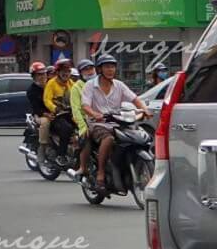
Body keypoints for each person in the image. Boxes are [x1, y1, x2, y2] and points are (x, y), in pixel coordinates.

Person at [83, 54, 151, 191]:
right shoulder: (90, 85)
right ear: (100, 69)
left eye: (113, 67)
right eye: (107, 67)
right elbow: (85, 106)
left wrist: (144, 110)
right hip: (98, 124)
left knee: (139, 137)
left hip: (118, 122)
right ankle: (101, 174)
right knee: (108, 139)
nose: (110, 70)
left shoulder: (119, 85)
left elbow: (135, 99)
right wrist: (95, 114)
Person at [42, 59, 76, 157]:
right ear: (58, 72)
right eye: (63, 71)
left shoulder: (72, 84)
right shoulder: (51, 83)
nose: (66, 74)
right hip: (56, 116)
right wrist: (55, 108)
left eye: (68, 71)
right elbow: (46, 100)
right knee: (67, 129)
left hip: (70, 114)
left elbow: (79, 98)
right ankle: (61, 155)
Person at [26, 62, 50, 147]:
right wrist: (46, 114)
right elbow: (36, 108)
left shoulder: (51, 85)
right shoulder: (31, 91)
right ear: (34, 76)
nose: (43, 76)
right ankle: (42, 148)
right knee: (45, 123)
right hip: (40, 114)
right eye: (39, 74)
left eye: (44, 73)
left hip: (56, 112)